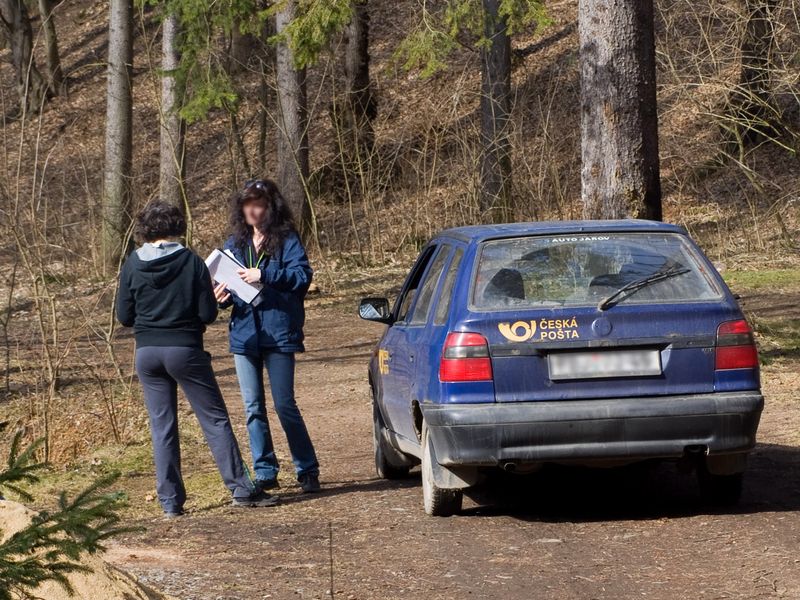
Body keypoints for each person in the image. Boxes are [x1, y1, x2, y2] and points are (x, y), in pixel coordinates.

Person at [116, 200, 277, 517]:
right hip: (185, 350)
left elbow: (124, 316)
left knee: (162, 426)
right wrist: (209, 300)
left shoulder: (132, 264)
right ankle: (241, 489)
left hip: (147, 353)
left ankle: (170, 502)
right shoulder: (191, 262)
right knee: (214, 420)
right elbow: (206, 313)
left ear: (145, 230)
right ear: (178, 227)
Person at [213, 179, 321, 493]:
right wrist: (224, 297)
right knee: (252, 407)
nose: (252, 210)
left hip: (278, 332)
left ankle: (307, 469)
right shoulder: (235, 242)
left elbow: (302, 277)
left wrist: (265, 274)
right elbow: (232, 286)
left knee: (284, 403)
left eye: (258, 204)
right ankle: (265, 471)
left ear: (270, 207)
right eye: (247, 204)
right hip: (245, 334)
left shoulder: (286, 239)